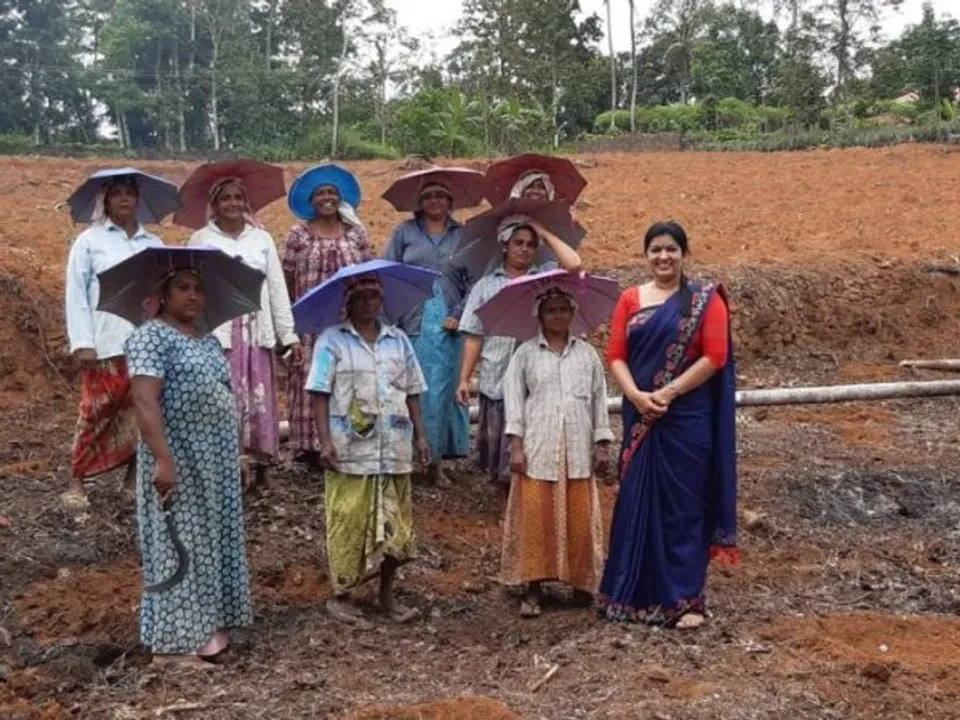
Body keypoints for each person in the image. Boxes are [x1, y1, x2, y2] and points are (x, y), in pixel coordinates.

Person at [598, 221, 738, 630]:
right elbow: (616, 356)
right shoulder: (630, 299)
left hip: (687, 421)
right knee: (636, 501)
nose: (663, 257)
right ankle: (628, 593)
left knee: (683, 507)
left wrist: (669, 393)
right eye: (655, 250)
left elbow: (715, 357)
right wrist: (639, 397)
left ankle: (684, 600)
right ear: (646, 256)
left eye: (671, 250)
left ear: (684, 254)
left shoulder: (705, 301)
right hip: (641, 415)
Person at [125, 267, 252, 667]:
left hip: (215, 462)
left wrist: (236, 454)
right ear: (162, 294)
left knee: (210, 542)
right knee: (177, 543)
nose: (193, 294)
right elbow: (145, 401)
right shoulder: (150, 337)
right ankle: (171, 647)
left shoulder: (209, 341)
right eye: (182, 287)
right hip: (178, 457)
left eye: (199, 287)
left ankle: (205, 634)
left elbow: (221, 397)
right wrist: (163, 460)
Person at [306, 275, 430, 624]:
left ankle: (387, 596)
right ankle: (344, 593)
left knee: (396, 527)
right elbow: (319, 393)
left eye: (375, 296)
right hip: (349, 451)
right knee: (349, 521)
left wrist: (421, 436)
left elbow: (413, 391)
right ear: (348, 303)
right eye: (361, 297)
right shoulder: (332, 341)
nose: (369, 303)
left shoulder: (399, 341)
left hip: (394, 447)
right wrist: (325, 440)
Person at [501, 286, 613, 617]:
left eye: (564, 309)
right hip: (539, 449)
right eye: (551, 310)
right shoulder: (525, 354)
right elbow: (515, 403)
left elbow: (598, 402)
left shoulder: (587, 355)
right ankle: (534, 589)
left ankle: (581, 586)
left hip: (577, 450)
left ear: (573, 313)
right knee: (536, 519)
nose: (558, 315)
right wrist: (516, 447)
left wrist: (602, 444)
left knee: (579, 519)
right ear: (539, 315)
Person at [457, 217, 582, 510]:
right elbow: (474, 335)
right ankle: (506, 501)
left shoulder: (547, 282)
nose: (524, 249)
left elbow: (575, 265)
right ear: (505, 246)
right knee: (500, 441)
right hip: (497, 376)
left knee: (538, 439)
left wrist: (545, 231)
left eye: (530, 244)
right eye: (518, 243)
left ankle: (533, 498)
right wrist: (464, 378)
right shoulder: (486, 286)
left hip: (539, 377)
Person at [187, 177, 301, 490]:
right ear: (215, 204)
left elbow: (276, 288)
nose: (233, 204)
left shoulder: (260, 238)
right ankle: (227, 467)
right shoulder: (200, 239)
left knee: (260, 398)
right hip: (219, 332)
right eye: (226, 198)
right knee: (223, 399)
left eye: (239, 197)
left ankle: (263, 467)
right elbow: (188, 289)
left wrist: (287, 334)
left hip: (256, 330)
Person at [64, 174, 164, 507]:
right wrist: (82, 341)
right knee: (96, 411)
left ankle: (133, 480)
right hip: (105, 340)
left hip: (147, 344)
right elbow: (76, 294)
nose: (124, 199)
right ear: (105, 202)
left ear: (139, 199)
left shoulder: (155, 245)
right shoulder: (89, 242)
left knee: (145, 411)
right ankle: (77, 480)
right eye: (116, 194)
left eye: (130, 193)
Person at [384, 183, 472, 486]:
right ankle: (406, 458)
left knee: (443, 391)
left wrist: (459, 314)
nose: (435, 201)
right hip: (412, 320)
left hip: (449, 324)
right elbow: (388, 273)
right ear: (419, 202)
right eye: (428, 196)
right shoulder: (404, 233)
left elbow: (474, 280)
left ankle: (436, 463)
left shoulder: (462, 236)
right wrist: (391, 318)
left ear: (450, 201)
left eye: (441, 196)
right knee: (410, 389)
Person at [284, 168, 373, 468]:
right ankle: (312, 449)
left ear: (340, 198)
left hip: (348, 318)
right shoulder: (299, 234)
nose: (327, 198)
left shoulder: (356, 233)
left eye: (332, 193)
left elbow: (369, 273)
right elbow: (288, 276)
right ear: (312, 201)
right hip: (311, 321)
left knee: (347, 375)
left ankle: (347, 440)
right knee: (311, 376)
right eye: (321, 194)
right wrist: (289, 319)